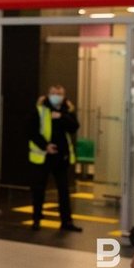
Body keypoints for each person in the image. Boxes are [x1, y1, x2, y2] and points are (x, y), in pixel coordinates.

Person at [28, 84, 81, 232]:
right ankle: (36, 219)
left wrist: (62, 116)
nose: (56, 96)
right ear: (48, 94)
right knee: (38, 189)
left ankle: (66, 221)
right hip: (43, 156)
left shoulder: (67, 110)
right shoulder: (40, 109)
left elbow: (74, 127)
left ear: (64, 96)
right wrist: (45, 146)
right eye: (53, 93)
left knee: (63, 190)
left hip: (61, 156)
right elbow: (31, 131)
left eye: (59, 94)